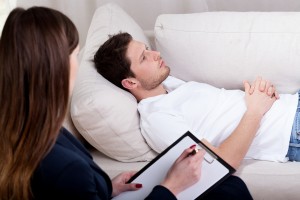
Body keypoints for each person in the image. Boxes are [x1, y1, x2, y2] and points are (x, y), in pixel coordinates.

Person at [0, 7, 253, 200]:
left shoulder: (34, 133)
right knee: (230, 190)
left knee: (228, 188)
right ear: (58, 69)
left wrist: (108, 187)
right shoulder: (65, 166)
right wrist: (170, 187)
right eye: (75, 56)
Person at [94, 32, 299, 169]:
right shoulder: (157, 121)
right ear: (129, 83)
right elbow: (219, 164)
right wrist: (255, 110)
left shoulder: (167, 84)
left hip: (292, 103)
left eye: (148, 49)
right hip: (290, 131)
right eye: (143, 57)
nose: (155, 54)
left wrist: (259, 94)